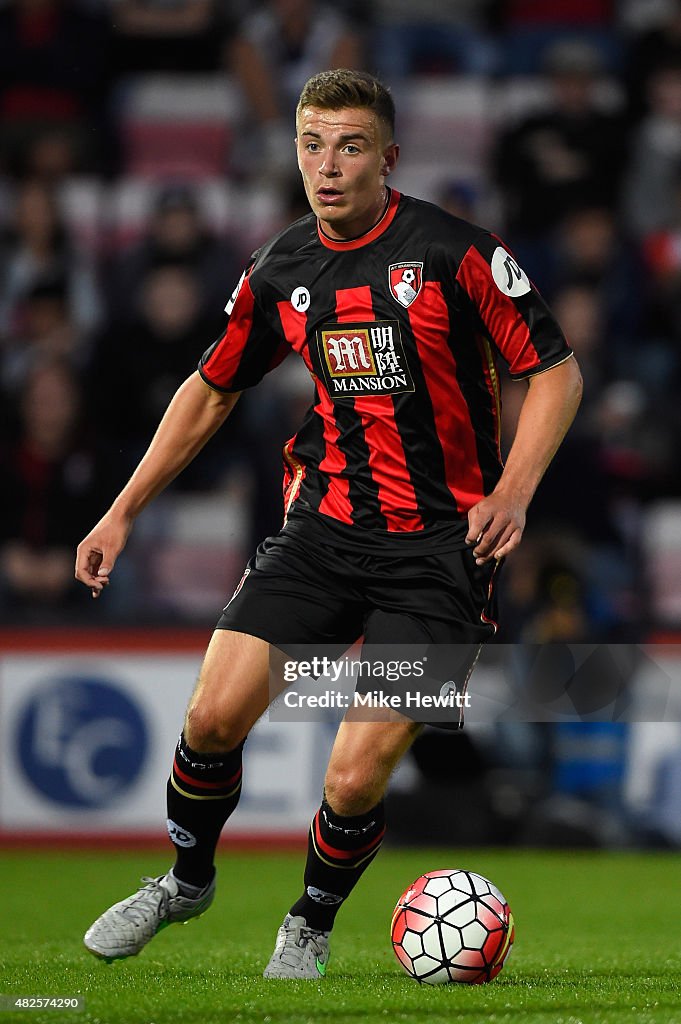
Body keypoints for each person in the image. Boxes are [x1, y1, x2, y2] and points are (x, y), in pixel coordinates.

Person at [75, 69, 582, 979]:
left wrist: (511, 491)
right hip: (323, 533)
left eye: (350, 145)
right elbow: (209, 390)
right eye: (312, 144)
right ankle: (186, 881)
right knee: (210, 718)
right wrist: (120, 512)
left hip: (441, 554)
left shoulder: (452, 252)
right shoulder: (281, 268)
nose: (328, 164)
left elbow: (555, 371)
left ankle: (307, 922)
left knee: (350, 778)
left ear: (386, 157)